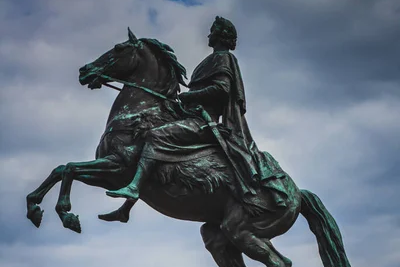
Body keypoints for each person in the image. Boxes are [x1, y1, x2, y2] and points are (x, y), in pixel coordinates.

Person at [104, 16, 288, 215]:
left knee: (156, 135)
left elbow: (222, 89)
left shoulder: (223, 58)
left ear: (219, 36)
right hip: (192, 116)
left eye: (212, 31)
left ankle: (133, 188)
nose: (208, 35)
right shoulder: (210, 60)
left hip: (203, 121)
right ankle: (126, 208)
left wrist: (190, 95)